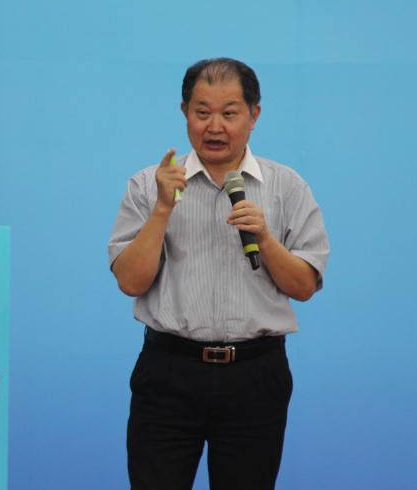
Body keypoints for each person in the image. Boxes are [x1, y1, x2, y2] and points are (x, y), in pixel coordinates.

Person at [108, 58, 329, 489]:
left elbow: (304, 286)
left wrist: (265, 238)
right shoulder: (148, 185)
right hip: (169, 371)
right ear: (184, 112)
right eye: (202, 112)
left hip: (255, 374)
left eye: (229, 113)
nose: (215, 126)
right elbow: (130, 282)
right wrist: (163, 208)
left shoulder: (287, 187)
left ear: (253, 115)